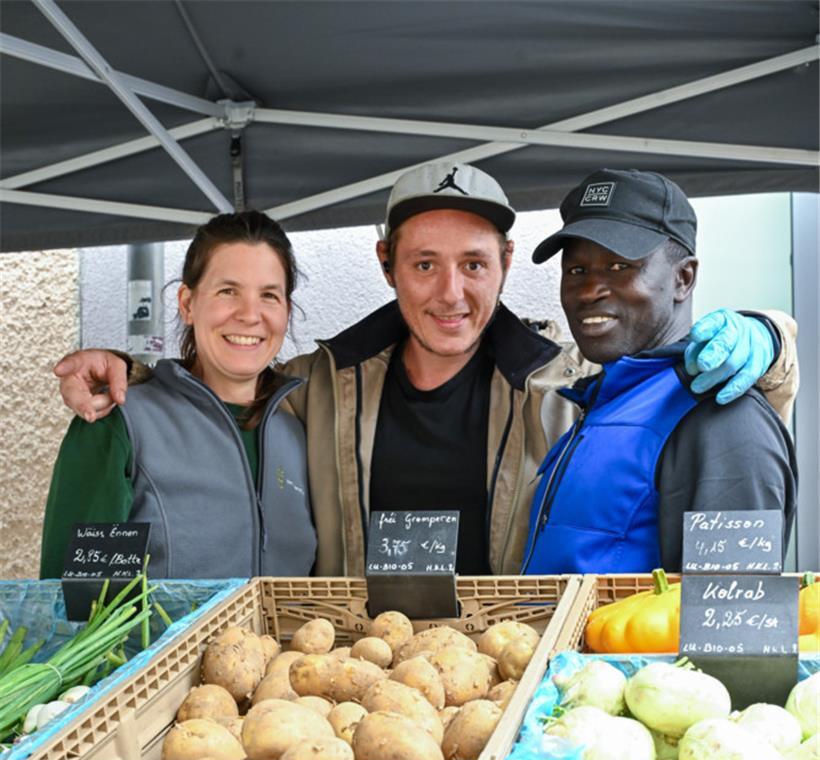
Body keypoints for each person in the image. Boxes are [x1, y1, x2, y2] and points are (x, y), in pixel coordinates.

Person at [52, 161, 798, 577]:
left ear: (506, 264)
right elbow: (229, 379)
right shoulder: (317, 388)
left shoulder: (566, 386)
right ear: (386, 265)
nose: (450, 293)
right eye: (423, 264)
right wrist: (133, 370)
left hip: (508, 683)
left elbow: (683, 385)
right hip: (353, 686)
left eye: (473, 264)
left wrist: (772, 340)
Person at [520, 169, 797, 574]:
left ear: (684, 278)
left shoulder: (721, 414)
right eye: (576, 270)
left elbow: (731, 605)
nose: (589, 290)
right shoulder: (601, 401)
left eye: (619, 266)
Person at [41, 212, 316, 579]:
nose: (250, 315)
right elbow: (78, 595)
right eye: (228, 291)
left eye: (269, 295)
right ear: (187, 303)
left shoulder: (297, 435)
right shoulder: (121, 424)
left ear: (286, 311)